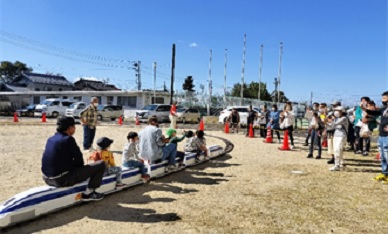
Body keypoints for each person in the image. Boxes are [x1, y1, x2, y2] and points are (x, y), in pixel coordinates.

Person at [41, 116, 106, 201]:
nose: (75, 129)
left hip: (46, 178)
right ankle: (89, 193)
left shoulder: (50, 139)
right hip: (61, 180)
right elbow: (79, 161)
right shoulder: (68, 139)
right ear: (70, 128)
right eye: (74, 127)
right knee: (101, 164)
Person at [366, 91, 388, 182]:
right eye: (382, 98)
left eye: (384, 98)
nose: (382, 100)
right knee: (382, 156)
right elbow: (374, 113)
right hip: (381, 135)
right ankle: (384, 173)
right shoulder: (383, 109)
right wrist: (364, 108)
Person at [329, 106, 349, 171]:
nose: (336, 112)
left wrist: (331, 119)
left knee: (338, 149)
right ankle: (340, 163)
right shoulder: (336, 118)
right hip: (336, 135)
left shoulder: (344, 118)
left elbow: (335, 124)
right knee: (336, 150)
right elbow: (331, 126)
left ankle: (336, 165)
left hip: (342, 135)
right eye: (335, 110)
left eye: (338, 110)